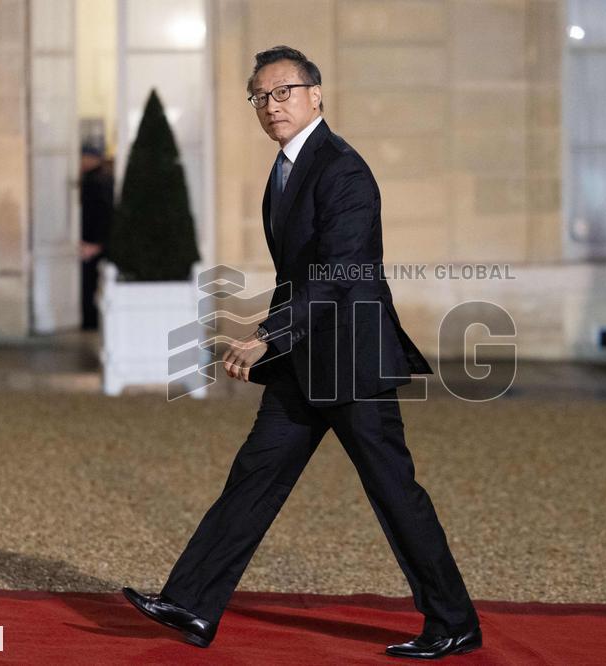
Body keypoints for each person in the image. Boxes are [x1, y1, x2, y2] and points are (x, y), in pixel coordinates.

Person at [123, 46, 481, 659]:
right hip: (303, 358)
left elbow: (341, 271)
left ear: (316, 94)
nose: (271, 106)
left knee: (394, 492)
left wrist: (268, 334)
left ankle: (455, 623)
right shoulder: (285, 168)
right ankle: (192, 603)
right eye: (260, 97)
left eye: (283, 92)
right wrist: (280, 338)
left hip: (352, 359)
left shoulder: (342, 168)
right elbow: (301, 273)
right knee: (254, 477)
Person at [79, 142, 114, 330]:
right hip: (96, 242)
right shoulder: (102, 179)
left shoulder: (95, 182)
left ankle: (90, 321)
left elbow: (102, 215)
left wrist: (96, 244)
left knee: (89, 284)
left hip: (93, 242)